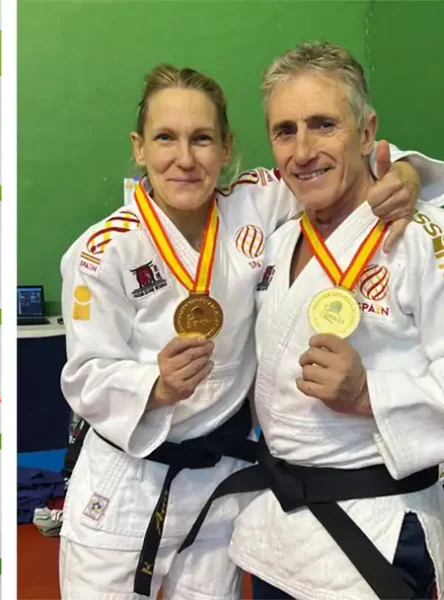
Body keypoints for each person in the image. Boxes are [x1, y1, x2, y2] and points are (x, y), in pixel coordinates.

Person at [57, 61, 444, 600]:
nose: (184, 158)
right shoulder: (102, 251)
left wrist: (403, 172)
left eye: (202, 139)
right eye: (165, 138)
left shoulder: (256, 204)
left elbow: (339, 169)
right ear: (139, 147)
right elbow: (85, 374)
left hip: (227, 485)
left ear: (227, 147)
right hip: (130, 477)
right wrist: (155, 386)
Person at [179, 41, 444, 600]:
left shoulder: (421, 241)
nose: (302, 151)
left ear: (367, 132)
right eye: (284, 131)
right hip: (278, 528)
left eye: (324, 125)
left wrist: (372, 393)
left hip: (373, 533)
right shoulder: (278, 241)